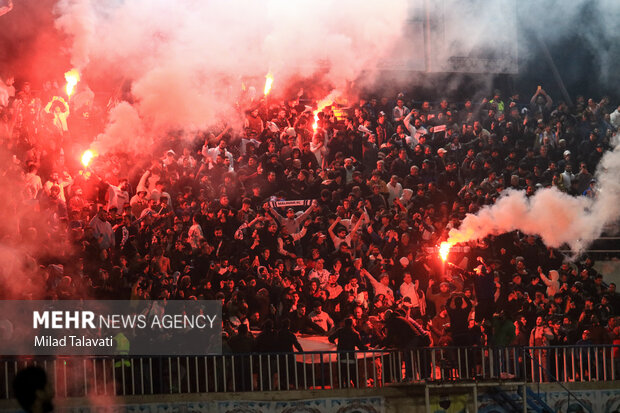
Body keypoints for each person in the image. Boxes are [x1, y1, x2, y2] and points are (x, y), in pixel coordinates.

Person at [329, 317, 367, 388]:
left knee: (341, 378)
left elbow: (330, 338)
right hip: (351, 359)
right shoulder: (355, 334)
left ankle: (341, 391)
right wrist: (368, 348)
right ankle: (356, 391)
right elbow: (361, 347)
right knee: (353, 377)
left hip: (341, 358)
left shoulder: (340, 331)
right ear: (352, 324)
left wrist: (335, 344)